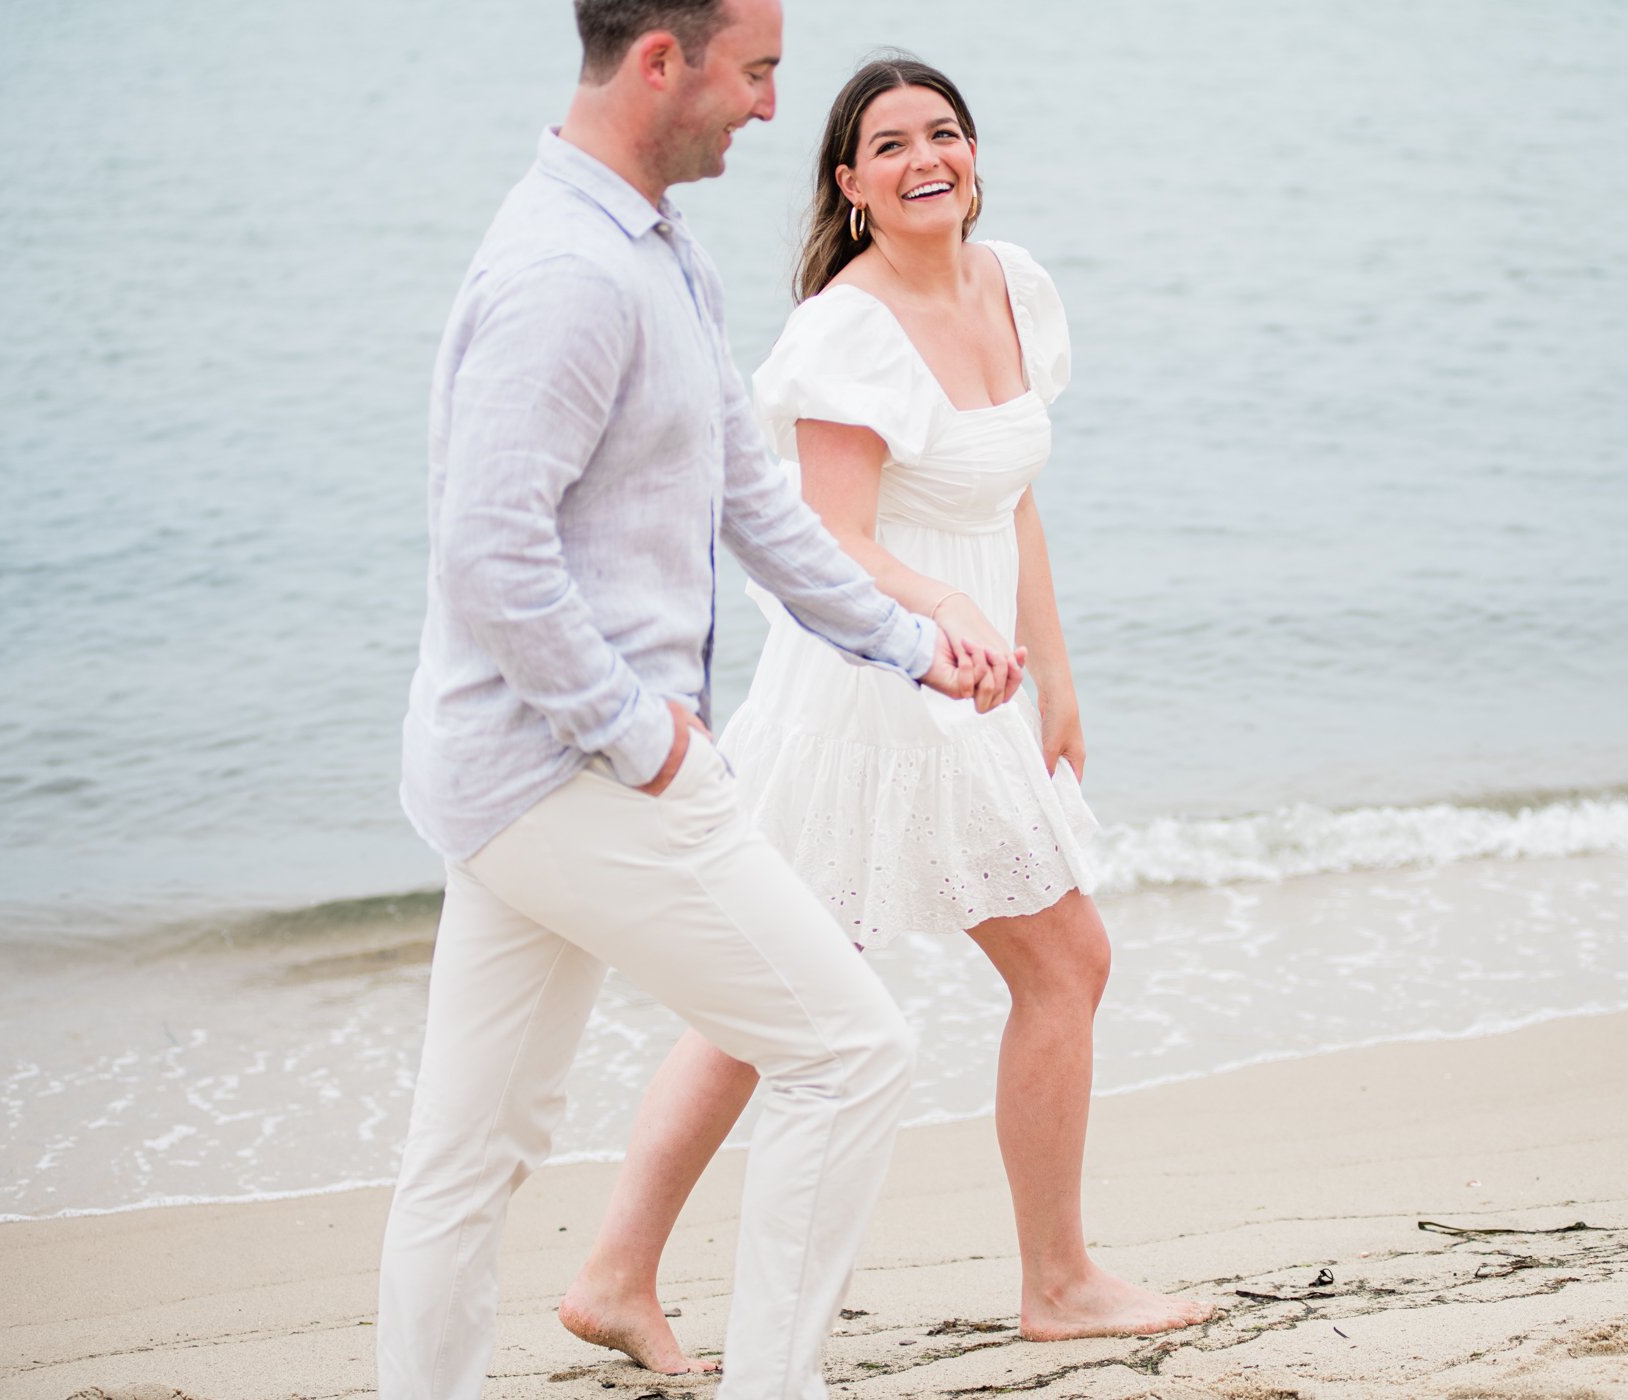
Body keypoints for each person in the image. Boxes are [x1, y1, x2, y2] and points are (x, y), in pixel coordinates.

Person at [378, 5, 1022, 1396]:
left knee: (465, 1157)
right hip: (574, 774)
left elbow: (757, 505)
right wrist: (639, 735)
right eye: (757, 72)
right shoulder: (568, 275)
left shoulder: (658, 253)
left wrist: (914, 644)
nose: (771, 108)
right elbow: (489, 550)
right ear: (661, 62)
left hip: (505, 774)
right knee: (850, 1054)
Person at [557, 54, 1214, 1376]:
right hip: (869, 692)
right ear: (850, 182)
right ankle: (1058, 1282)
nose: (927, 158)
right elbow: (829, 539)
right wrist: (943, 623)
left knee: (832, 985)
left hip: (976, 689)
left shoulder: (1013, 283)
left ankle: (619, 1273)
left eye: (946, 133)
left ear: (974, 155)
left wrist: (1054, 667)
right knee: (963, 972)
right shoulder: (846, 331)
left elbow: (1008, 492)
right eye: (892, 143)